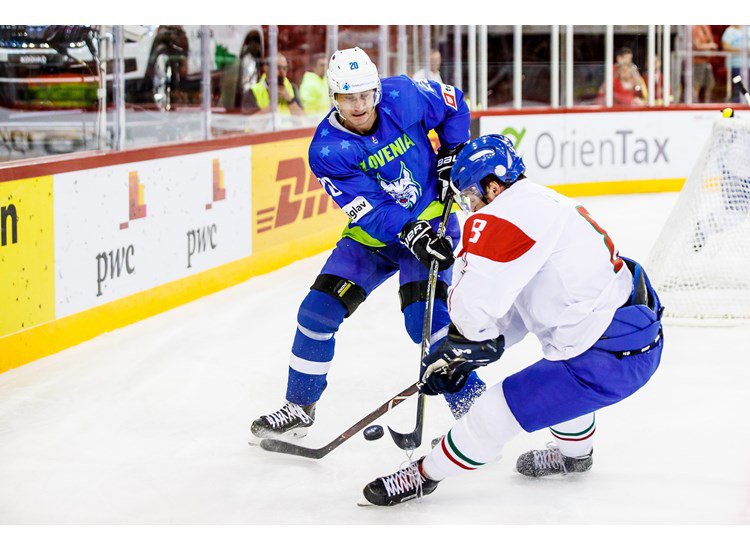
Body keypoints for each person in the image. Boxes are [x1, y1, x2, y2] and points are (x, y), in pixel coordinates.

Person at [361, 134, 664, 506]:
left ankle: (424, 474)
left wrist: (461, 348)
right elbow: (518, 308)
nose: (470, 207)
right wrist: (476, 348)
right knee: (563, 383)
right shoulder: (541, 201)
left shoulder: (501, 216)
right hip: (633, 339)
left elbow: (471, 310)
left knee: (495, 411)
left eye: (471, 196)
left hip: (604, 357)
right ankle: (576, 457)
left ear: (492, 186)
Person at [250, 47, 486, 440]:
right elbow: (371, 209)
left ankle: (478, 411)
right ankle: (299, 407)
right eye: (347, 97)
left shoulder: (403, 95)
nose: (358, 106)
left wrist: (451, 152)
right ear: (334, 98)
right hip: (373, 236)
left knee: (425, 323)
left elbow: (454, 104)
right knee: (316, 313)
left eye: (364, 95)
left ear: (376, 90)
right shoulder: (327, 150)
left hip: (431, 220)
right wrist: (410, 233)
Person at [692, 25, 718, 103]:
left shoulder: (707, 27)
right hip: (697, 61)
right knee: (697, 85)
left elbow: (712, 42)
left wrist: (710, 45)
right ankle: (694, 104)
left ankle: (707, 102)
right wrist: (710, 46)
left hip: (707, 61)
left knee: (710, 83)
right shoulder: (695, 28)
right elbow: (697, 45)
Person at [721, 26, 747, 103]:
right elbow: (725, 46)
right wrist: (743, 50)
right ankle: (737, 104)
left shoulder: (748, 29)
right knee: (738, 88)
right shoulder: (729, 31)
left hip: (748, 65)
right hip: (735, 65)